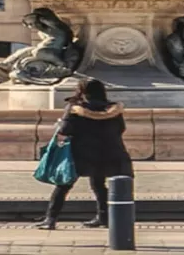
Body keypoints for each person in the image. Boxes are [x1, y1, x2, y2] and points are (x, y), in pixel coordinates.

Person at [35, 78, 132, 230]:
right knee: (99, 185)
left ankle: (51, 218)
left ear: (81, 90)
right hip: (108, 151)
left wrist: (62, 124)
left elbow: (65, 130)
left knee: (63, 185)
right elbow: (121, 129)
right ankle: (103, 217)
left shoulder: (75, 108)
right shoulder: (113, 109)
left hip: (81, 152)